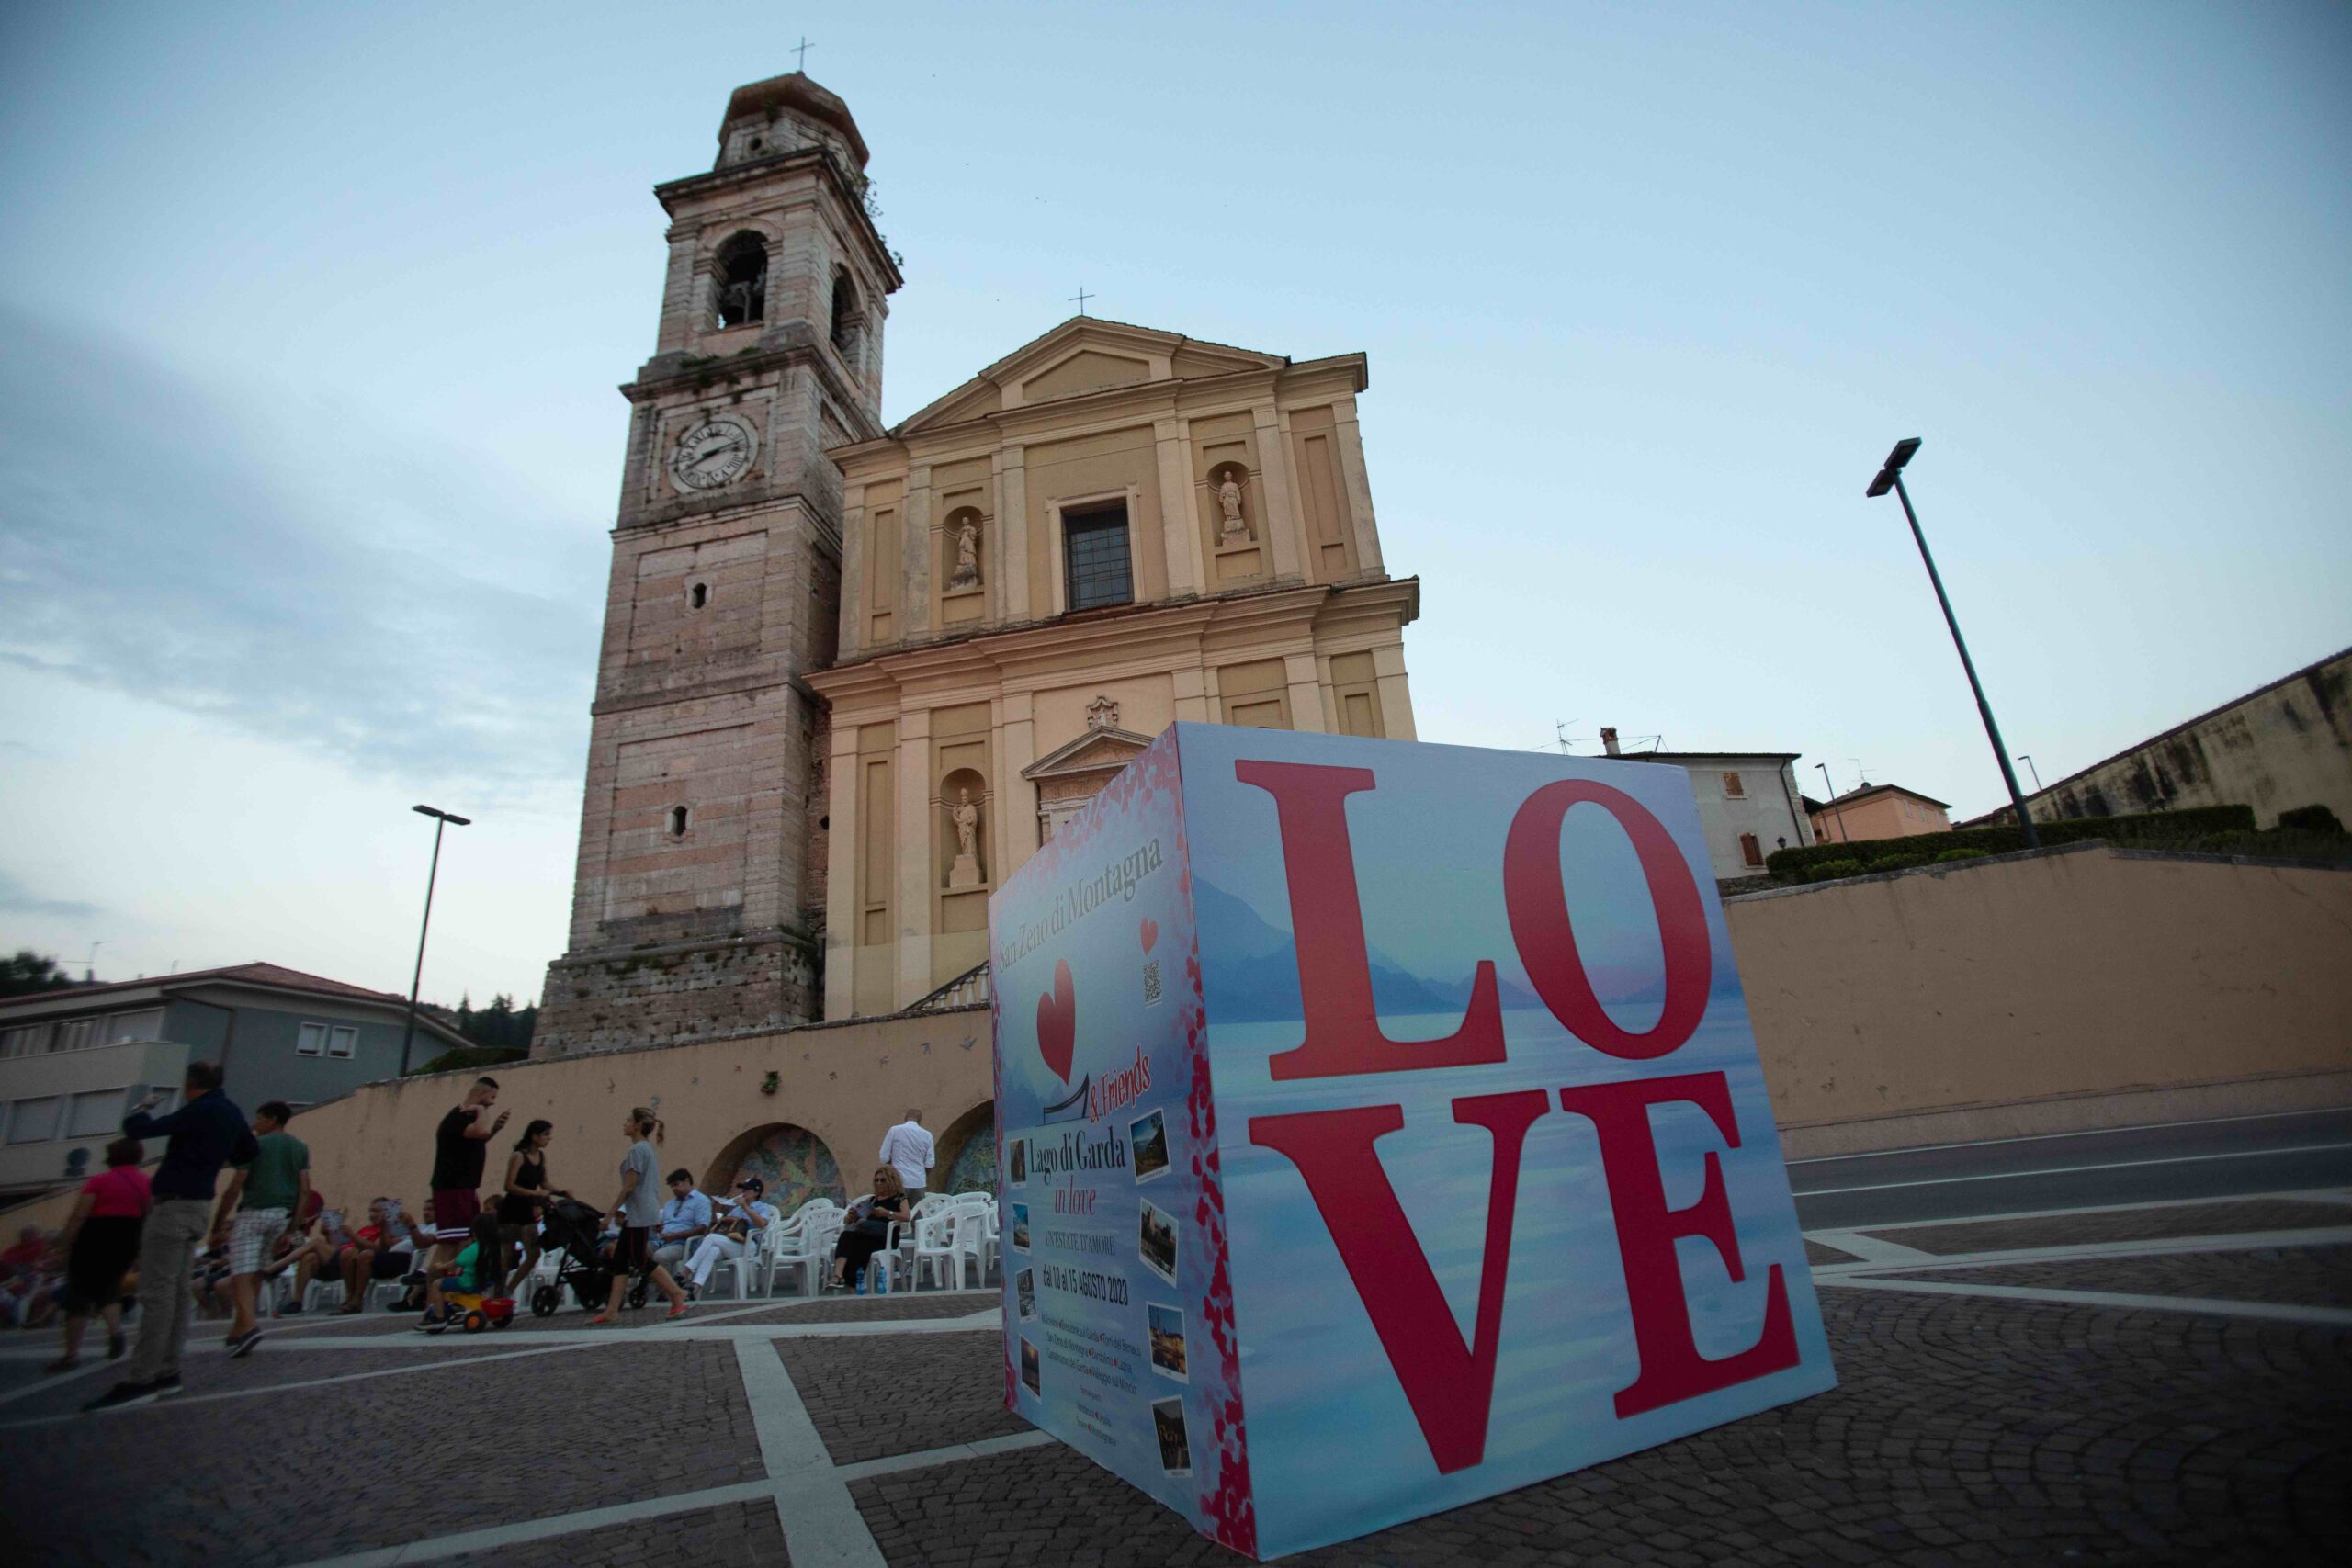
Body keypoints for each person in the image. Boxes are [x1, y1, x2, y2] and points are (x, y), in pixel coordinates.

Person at [86, 1061, 257, 1413]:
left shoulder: (200, 1109)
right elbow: (248, 1152)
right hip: (199, 1205)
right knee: (179, 1293)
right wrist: (213, 1155)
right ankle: (168, 1370)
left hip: (173, 1204)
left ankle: (142, 1377)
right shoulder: (230, 1112)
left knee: (158, 1292)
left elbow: (138, 1130)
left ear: (190, 1084)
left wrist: (143, 1108)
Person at [210, 1100, 310, 1357]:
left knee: (241, 1273)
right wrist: (292, 1228)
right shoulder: (299, 1147)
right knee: (255, 1273)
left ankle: (249, 1327)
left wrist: (219, 1223)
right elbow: (305, 1190)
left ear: (272, 1119)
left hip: (254, 1212)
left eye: (259, 1119)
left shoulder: (253, 1145)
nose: (254, 1125)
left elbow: (235, 1186)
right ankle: (238, 1327)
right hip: (282, 1216)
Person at [47, 1138, 151, 1372]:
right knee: (109, 1288)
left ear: (111, 1156)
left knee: (79, 1294)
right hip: (127, 1238)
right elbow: (149, 1214)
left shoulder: (99, 1181)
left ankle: (71, 1354)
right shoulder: (145, 1182)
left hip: (95, 1237)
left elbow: (79, 1215)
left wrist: (64, 1244)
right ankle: (115, 1331)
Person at [586, 1108, 688, 1326]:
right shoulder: (647, 1149)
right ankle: (612, 1310)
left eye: (628, 1120)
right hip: (641, 1212)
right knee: (621, 1261)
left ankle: (676, 1293)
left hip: (640, 1214)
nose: (625, 1124)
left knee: (640, 1260)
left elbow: (630, 1185)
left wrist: (610, 1214)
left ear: (638, 1125)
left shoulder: (636, 1151)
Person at [426, 1077, 508, 1274]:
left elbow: (479, 1140)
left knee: (466, 1238)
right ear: (481, 1094)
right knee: (449, 1244)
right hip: (452, 1187)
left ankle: (450, 1290)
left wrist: (495, 1128)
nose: (492, 1102)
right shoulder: (459, 1117)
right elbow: (480, 1132)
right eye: (492, 1097)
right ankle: (434, 1295)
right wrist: (481, 1111)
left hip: (466, 1186)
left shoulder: (467, 1119)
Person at [498, 1121, 563, 1294]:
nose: (549, 1138)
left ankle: (509, 1290)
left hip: (526, 1210)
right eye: (546, 1135)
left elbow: (544, 1182)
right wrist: (535, 1194)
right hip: (511, 1210)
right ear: (535, 1136)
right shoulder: (519, 1156)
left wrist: (561, 1192)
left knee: (533, 1253)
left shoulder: (541, 1156)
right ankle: (498, 1292)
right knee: (507, 1256)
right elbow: (509, 1185)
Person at [681, 1177, 775, 1296]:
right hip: (732, 1243)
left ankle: (686, 1272)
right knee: (713, 1251)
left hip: (749, 1245)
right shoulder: (737, 1209)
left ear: (756, 1192)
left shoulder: (762, 1207)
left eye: (747, 1190)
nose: (743, 1192)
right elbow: (719, 1224)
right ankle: (695, 1288)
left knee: (711, 1238)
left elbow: (762, 1224)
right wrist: (714, 1208)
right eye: (743, 1190)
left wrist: (746, 1207)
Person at [417, 1212, 504, 1333]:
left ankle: (439, 1318)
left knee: (436, 1284)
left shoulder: (474, 1248)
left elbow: (456, 1262)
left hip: (468, 1283)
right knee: (452, 1282)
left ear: (476, 1231)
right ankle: (456, 1308)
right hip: (485, 1282)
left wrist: (440, 1266)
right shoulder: (496, 1248)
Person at [829, 1167, 910, 1292]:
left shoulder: (899, 1198)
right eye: (877, 1180)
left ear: (892, 1180)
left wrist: (886, 1213)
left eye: (883, 1180)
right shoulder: (872, 1200)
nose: (879, 1183)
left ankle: (851, 1287)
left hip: (886, 1237)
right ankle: (838, 1275)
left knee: (859, 1246)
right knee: (846, 1236)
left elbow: (907, 1216)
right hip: (867, 1234)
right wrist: (852, 1215)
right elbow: (847, 1221)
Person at [650, 1169, 714, 1278]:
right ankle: (640, 1287)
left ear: (687, 1181)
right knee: (640, 1250)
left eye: (676, 1185)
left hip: (684, 1244)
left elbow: (702, 1228)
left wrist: (675, 1236)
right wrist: (659, 1227)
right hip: (663, 1240)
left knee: (660, 1256)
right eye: (671, 1186)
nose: (673, 1189)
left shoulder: (701, 1200)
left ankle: (669, 1292)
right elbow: (665, 1224)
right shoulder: (670, 1204)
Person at [878, 1109, 934, 1204]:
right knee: (917, 1215)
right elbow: (930, 1163)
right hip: (918, 1182)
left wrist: (894, 1163)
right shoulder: (927, 1135)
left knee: (897, 1213)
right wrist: (922, 1175)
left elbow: (884, 1157)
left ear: (905, 1118)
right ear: (920, 1120)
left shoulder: (895, 1130)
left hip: (899, 1181)